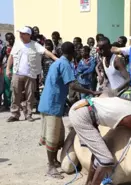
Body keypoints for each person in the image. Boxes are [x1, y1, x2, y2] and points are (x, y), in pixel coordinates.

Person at [38, 42, 101, 179]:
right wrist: (91, 91)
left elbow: (57, 82)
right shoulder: (65, 64)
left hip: (50, 101)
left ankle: (54, 161)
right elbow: (72, 84)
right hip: (52, 104)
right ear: (72, 52)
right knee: (53, 136)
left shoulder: (59, 61)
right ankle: (51, 166)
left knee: (58, 133)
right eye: (76, 50)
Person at [69, 96, 131, 184]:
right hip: (82, 115)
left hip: (83, 106)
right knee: (106, 159)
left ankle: (89, 182)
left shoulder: (129, 105)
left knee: (97, 153)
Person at [6, 27, 58, 122]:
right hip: (17, 73)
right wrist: (8, 69)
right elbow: (11, 57)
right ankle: (15, 114)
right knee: (15, 95)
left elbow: (47, 53)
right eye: (20, 33)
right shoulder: (17, 44)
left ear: (29, 35)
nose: (21, 35)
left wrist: (57, 59)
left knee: (30, 96)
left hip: (30, 74)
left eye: (23, 33)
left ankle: (28, 114)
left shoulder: (35, 45)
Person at [0, 33, 15, 111]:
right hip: (7, 68)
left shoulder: (17, 47)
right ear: (6, 39)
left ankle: (15, 103)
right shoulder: (5, 48)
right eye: (9, 39)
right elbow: (1, 58)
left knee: (16, 86)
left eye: (12, 38)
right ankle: (7, 104)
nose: (10, 40)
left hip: (17, 68)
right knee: (7, 87)